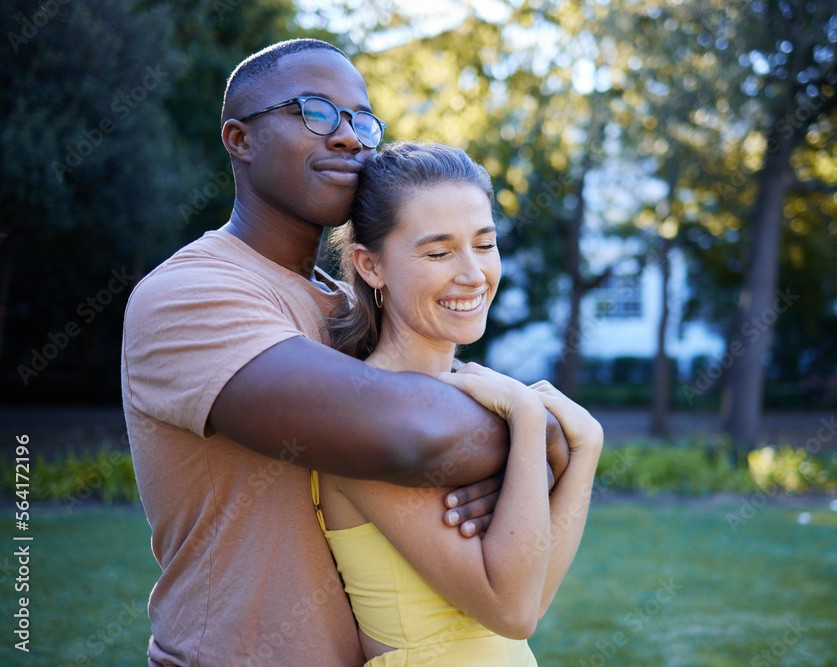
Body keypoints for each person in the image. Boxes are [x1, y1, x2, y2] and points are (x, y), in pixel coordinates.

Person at [121, 39, 569, 667]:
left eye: (361, 118)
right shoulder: (190, 294)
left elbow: (434, 417)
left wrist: (500, 450)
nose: (350, 137)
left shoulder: (343, 305)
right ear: (238, 139)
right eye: (315, 111)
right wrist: (539, 432)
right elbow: (407, 432)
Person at [314, 142, 603, 665]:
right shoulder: (365, 417)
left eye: (484, 244)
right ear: (371, 266)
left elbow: (532, 603)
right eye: (439, 252)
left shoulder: (468, 398)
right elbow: (511, 611)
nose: (473, 274)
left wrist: (586, 449)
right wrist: (529, 418)